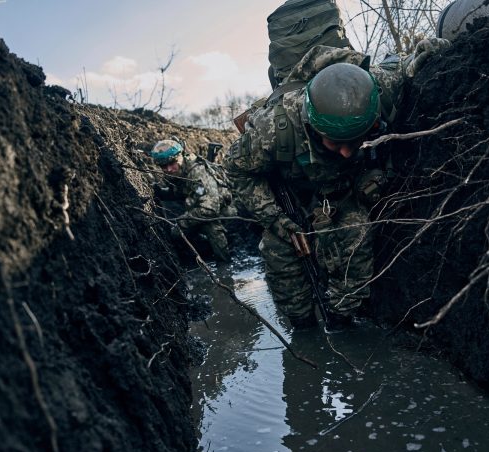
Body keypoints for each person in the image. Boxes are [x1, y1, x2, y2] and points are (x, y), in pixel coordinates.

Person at [225, 40, 448, 329]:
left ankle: (342, 321)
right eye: (334, 142)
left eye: (354, 141)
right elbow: (236, 170)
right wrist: (277, 219)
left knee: (356, 237)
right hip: (293, 198)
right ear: (311, 125)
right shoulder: (273, 129)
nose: (346, 152)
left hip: (344, 193)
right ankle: (302, 327)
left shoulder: (378, 90)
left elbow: (405, 64)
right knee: (281, 257)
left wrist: (424, 55)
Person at [151, 139, 235, 262]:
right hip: (199, 208)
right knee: (179, 233)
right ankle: (198, 254)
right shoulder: (179, 171)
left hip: (225, 213)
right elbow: (180, 192)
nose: (168, 169)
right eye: (163, 166)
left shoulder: (197, 173)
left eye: (172, 163)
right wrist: (161, 192)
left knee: (211, 226)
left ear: (180, 156)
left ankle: (224, 264)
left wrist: (181, 223)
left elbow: (210, 209)